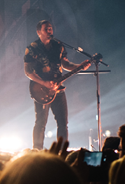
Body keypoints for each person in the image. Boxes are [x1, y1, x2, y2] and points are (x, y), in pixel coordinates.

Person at [24, 20, 91, 150]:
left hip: (58, 89)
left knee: (63, 123)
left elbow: (65, 64)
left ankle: (62, 151)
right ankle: (37, 151)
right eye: (46, 29)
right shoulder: (32, 48)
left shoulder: (58, 45)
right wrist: (44, 83)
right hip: (41, 89)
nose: (49, 31)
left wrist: (79, 67)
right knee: (40, 122)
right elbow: (28, 71)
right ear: (39, 32)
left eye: (50, 29)